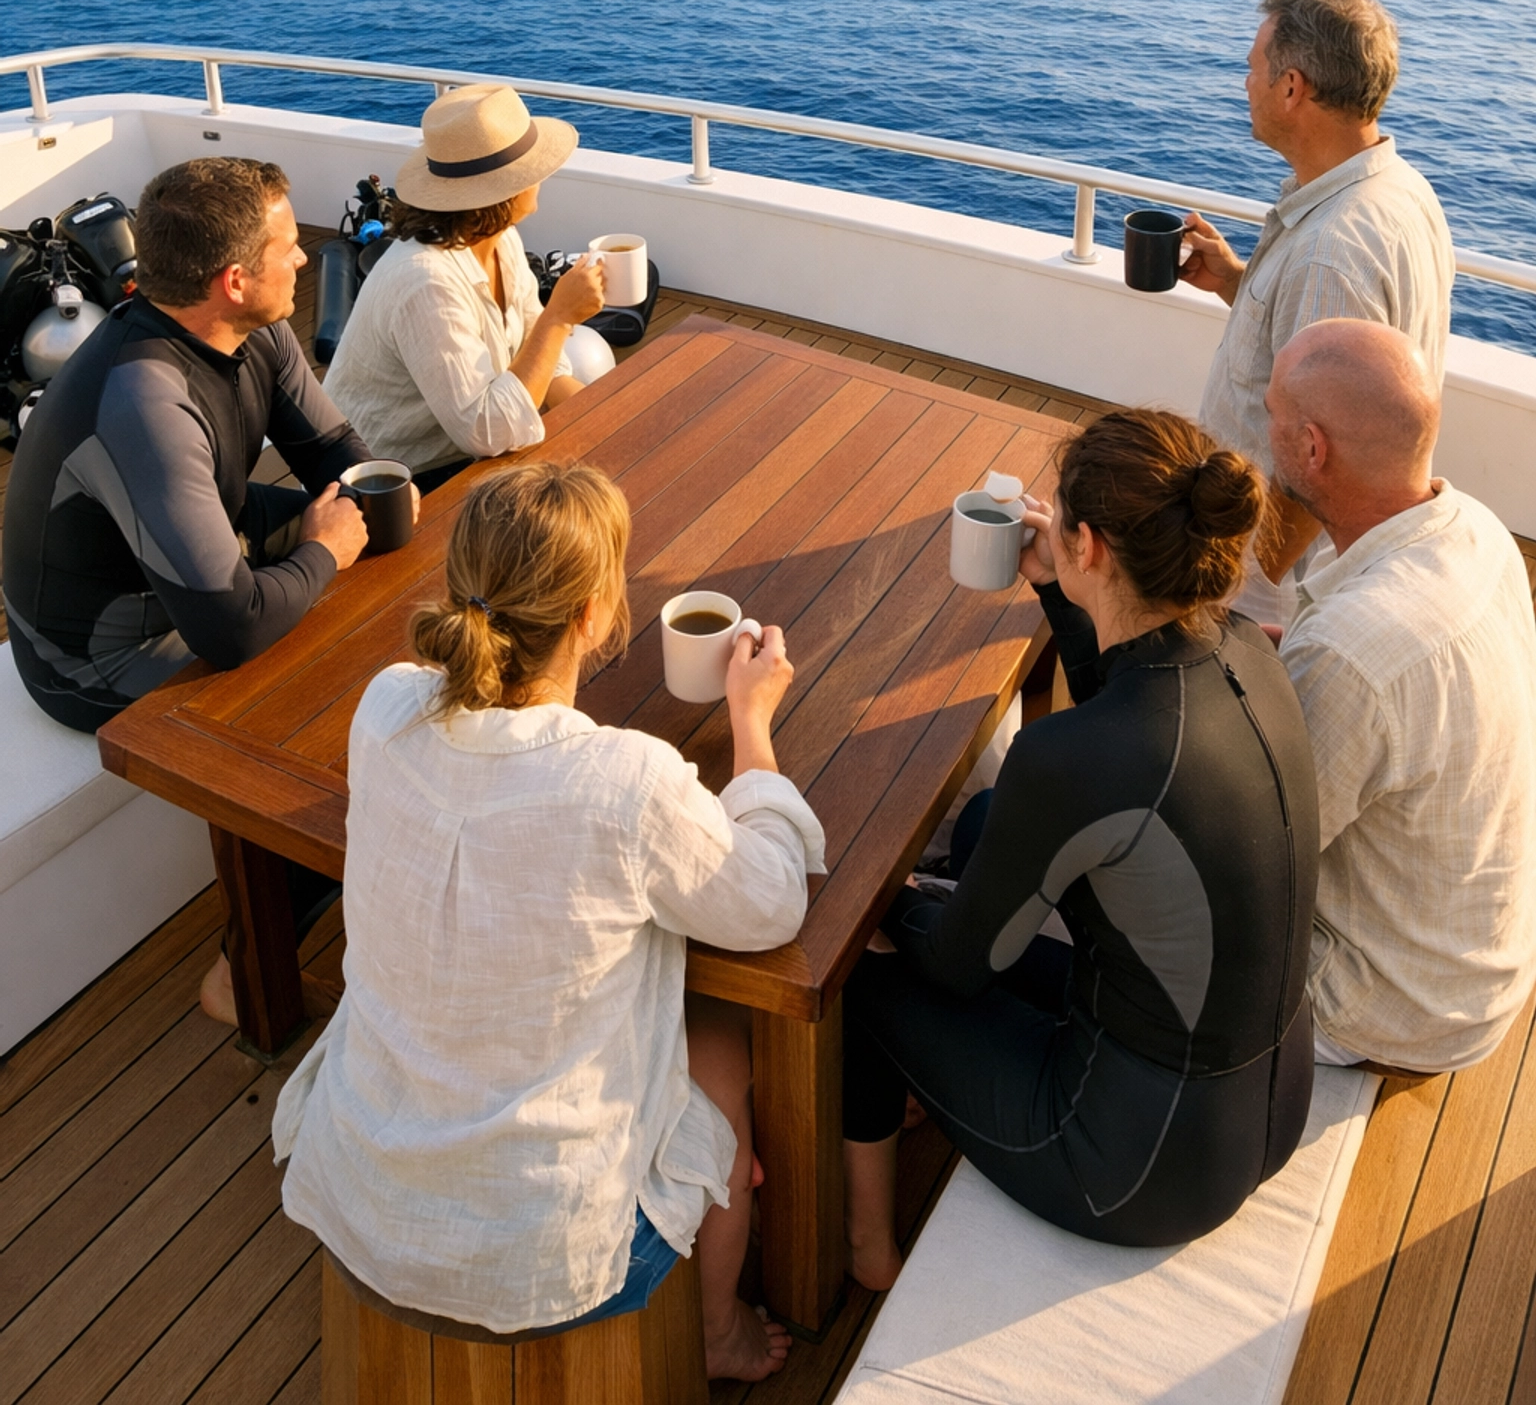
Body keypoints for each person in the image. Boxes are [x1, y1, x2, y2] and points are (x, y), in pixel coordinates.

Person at [273, 460, 824, 1383]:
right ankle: (718, 1331)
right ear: (592, 618)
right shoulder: (624, 782)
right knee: (725, 1044)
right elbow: (770, 901)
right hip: (550, 1257)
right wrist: (752, 722)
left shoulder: (386, 708)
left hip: (362, 1188)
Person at [841, 409, 1319, 1279]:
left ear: (1090, 543)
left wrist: (886, 898)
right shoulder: (1248, 649)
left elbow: (958, 964)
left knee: (858, 975)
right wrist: (1059, 588)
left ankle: (867, 1250)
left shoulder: (1071, 758)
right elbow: (1133, 714)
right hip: (1270, 1104)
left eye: (1057, 518)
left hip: (1133, 1166)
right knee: (989, 830)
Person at [1, 156, 402, 1024]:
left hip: (190, 548)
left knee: (377, 584)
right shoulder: (142, 398)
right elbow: (231, 628)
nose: (308, 259)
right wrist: (324, 552)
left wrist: (366, 528)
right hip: (98, 652)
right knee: (322, 703)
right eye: (292, 248)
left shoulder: (255, 328)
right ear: (234, 278)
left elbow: (341, 464)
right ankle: (243, 969)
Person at [1267, 319, 1536, 1073]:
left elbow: (1252, 853)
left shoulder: (1350, 655)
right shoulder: (1476, 530)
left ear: (1312, 448)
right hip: (1476, 960)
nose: (1265, 429)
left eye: (1273, 416)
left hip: (1394, 1005)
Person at [1180, 0, 1454, 598]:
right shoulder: (1401, 189)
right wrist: (1236, 282)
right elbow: (1324, 363)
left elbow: (1323, 460)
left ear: (1291, 87)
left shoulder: (1331, 253)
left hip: (1268, 580)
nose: (1244, 84)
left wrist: (1242, 585)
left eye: (1252, 69)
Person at [325, 82, 607, 491]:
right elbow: (487, 432)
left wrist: (609, 417)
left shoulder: (500, 238)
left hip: (461, 451)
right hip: (386, 482)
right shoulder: (426, 282)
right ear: (501, 191)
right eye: (530, 168)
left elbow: (538, 359)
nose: (543, 174)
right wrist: (560, 317)